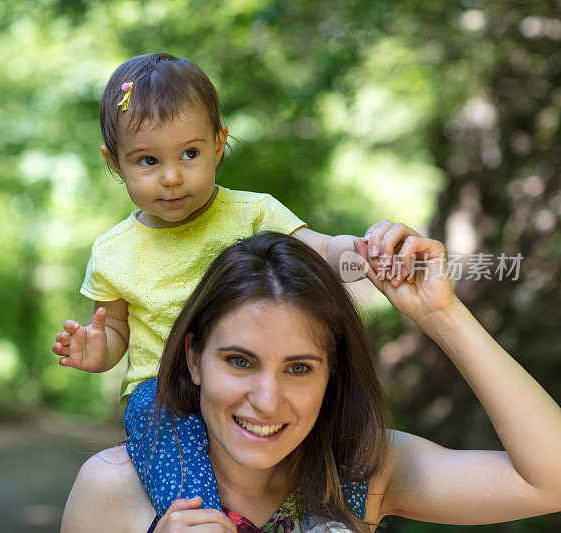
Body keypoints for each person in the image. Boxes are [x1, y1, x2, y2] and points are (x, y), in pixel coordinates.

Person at [51, 51, 413, 515]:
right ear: (113, 162)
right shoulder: (112, 250)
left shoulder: (253, 212)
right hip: (160, 387)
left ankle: (330, 516)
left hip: (257, 368)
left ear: (219, 144)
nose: (172, 176)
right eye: (147, 160)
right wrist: (99, 349)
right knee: (170, 450)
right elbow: (119, 330)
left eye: (190, 153)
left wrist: (367, 251)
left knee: (338, 430)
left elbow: (320, 252)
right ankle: (196, 516)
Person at [60, 231, 561, 532]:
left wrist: (442, 314)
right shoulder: (112, 490)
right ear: (193, 359)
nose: (266, 399)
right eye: (239, 361)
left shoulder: (364, 469)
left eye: (298, 368)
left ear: (332, 373)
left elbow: (551, 480)